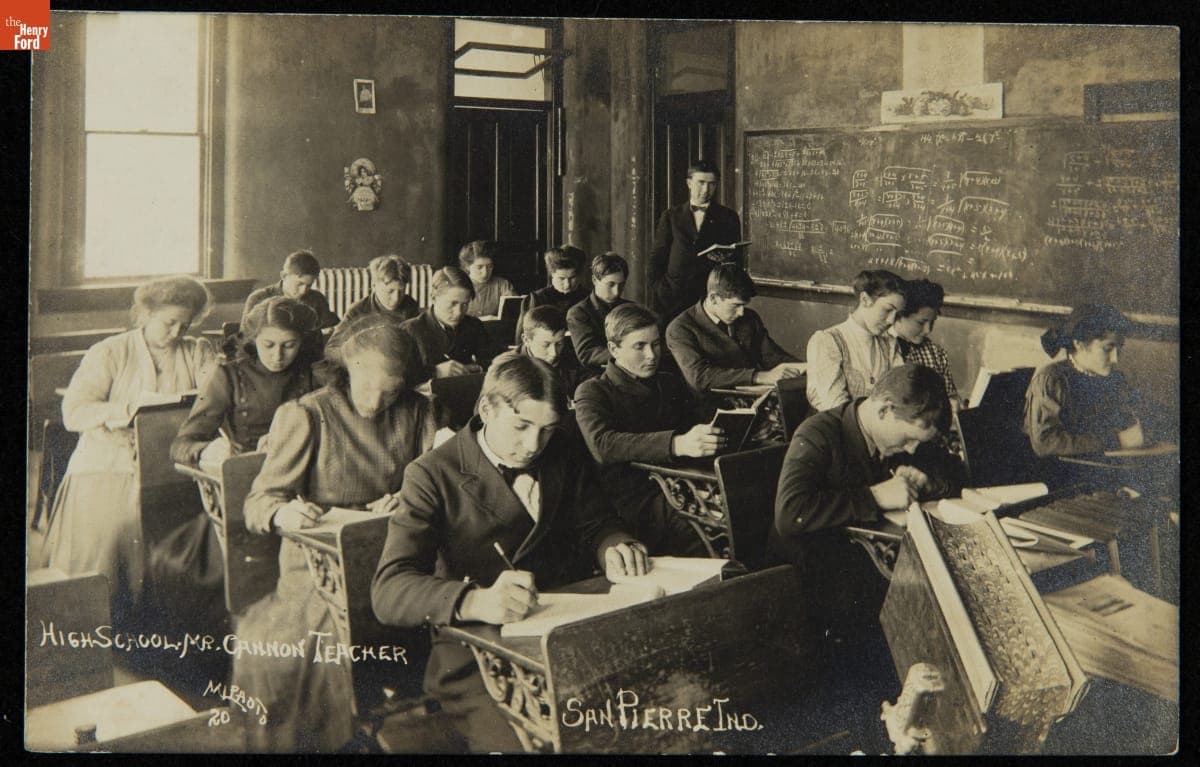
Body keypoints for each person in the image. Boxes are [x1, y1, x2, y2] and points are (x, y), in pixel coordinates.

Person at [371, 352, 648, 753]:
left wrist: (613, 544)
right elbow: (388, 589)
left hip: (568, 634)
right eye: (521, 426)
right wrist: (475, 600)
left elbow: (596, 522)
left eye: (547, 429)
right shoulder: (433, 474)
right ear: (487, 408)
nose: (533, 445)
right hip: (479, 657)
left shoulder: (564, 450)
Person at [232, 315, 441, 753]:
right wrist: (285, 513)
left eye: (392, 390)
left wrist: (406, 497)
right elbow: (258, 504)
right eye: (368, 387)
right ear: (350, 369)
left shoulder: (419, 411)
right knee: (324, 647)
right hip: (317, 569)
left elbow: (431, 486)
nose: (377, 401)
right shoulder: (308, 413)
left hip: (392, 559)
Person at [40, 276, 217, 628]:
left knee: (180, 534)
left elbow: (214, 398)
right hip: (107, 462)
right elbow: (74, 413)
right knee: (115, 531)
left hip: (169, 464)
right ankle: (103, 621)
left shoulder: (198, 351)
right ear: (144, 315)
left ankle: (155, 625)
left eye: (186, 324)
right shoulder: (110, 352)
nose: (177, 332)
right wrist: (125, 411)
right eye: (169, 323)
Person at [770, 364, 961, 634]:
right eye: (907, 440)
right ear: (884, 409)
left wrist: (928, 482)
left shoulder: (908, 425)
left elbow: (952, 472)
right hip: (817, 576)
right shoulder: (817, 434)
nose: (912, 449)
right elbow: (790, 514)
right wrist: (874, 496)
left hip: (870, 562)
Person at [574, 304, 720, 556]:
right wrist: (677, 444)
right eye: (639, 346)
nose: (652, 355)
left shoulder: (668, 382)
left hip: (682, 483)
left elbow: (697, 421)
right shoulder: (593, 391)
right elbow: (603, 445)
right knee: (700, 531)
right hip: (631, 498)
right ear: (613, 349)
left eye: (655, 344)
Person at [170, 296, 319, 465]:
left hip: (307, 467)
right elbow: (181, 446)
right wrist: (209, 450)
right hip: (251, 471)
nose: (277, 356)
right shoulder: (228, 375)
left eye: (289, 345)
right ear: (254, 340)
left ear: (302, 341)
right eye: (268, 345)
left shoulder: (314, 372)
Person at [1024, 303, 1146, 457]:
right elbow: (1046, 442)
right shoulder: (1052, 380)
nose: (1115, 359)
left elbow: (1132, 420)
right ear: (1079, 344)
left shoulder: (1115, 379)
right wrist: (1115, 440)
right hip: (1055, 473)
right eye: (1108, 349)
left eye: (1119, 349)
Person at [666, 263, 805, 398]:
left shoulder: (749, 318)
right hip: (709, 408)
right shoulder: (680, 328)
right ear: (713, 298)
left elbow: (772, 356)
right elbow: (700, 377)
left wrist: (807, 367)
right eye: (735, 305)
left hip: (751, 401)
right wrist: (760, 376)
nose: (741, 313)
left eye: (744, 305)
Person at [649, 160, 743, 321]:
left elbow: (736, 261)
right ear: (689, 183)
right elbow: (657, 257)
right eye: (701, 183)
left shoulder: (728, 217)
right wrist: (660, 289)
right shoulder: (671, 216)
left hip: (708, 297)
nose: (706, 189)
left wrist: (724, 260)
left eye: (712, 184)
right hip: (672, 296)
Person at [806, 269, 906, 412]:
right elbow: (836, 409)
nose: (891, 320)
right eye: (887, 310)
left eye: (897, 314)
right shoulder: (827, 341)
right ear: (865, 299)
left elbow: (901, 396)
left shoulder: (889, 343)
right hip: (838, 430)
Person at [400, 266, 496, 383]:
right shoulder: (410, 330)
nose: (459, 312)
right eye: (452, 303)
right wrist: (435, 372)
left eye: (465, 304)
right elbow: (398, 376)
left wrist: (478, 368)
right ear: (433, 298)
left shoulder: (474, 325)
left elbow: (493, 359)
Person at [891, 278, 960, 407]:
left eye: (932, 322)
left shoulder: (936, 354)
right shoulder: (878, 347)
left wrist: (953, 403)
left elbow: (950, 395)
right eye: (921, 323)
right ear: (899, 316)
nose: (928, 330)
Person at [567, 252, 632, 377]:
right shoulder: (578, 313)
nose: (616, 292)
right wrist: (629, 352)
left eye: (621, 285)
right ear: (594, 280)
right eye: (611, 284)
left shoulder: (630, 308)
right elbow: (587, 354)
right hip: (597, 377)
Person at [241, 249, 339, 332]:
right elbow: (245, 337)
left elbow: (333, 324)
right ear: (284, 276)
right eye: (299, 284)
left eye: (309, 285)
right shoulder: (259, 298)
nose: (303, 291)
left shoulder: (317, 298)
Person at [514, 244, 589, 343]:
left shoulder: (589, 297)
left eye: (572, 278)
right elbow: (522, 340)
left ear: (579, 275)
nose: (567, 284)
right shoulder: (536, 299)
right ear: (551, 274)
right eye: (561, 278)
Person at [519, 305, 587, 399]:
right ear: (526, 340)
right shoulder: (507, 369)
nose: (554, 353)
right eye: (546, 345)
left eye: (559, 343)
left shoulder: (577, 362)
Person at [340, 254, 421, 326]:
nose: (396, 298)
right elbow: (335, 343)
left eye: (401, 291)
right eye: (390, 291)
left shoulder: (411, 306)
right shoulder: (357, 312)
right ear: (374, 285)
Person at [458, 240, 515, 317]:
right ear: (467, 266)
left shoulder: (503, 284)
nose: (485, 272)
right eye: (479, 267)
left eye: (489, 266)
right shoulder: (459, 285)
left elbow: (513, 313)